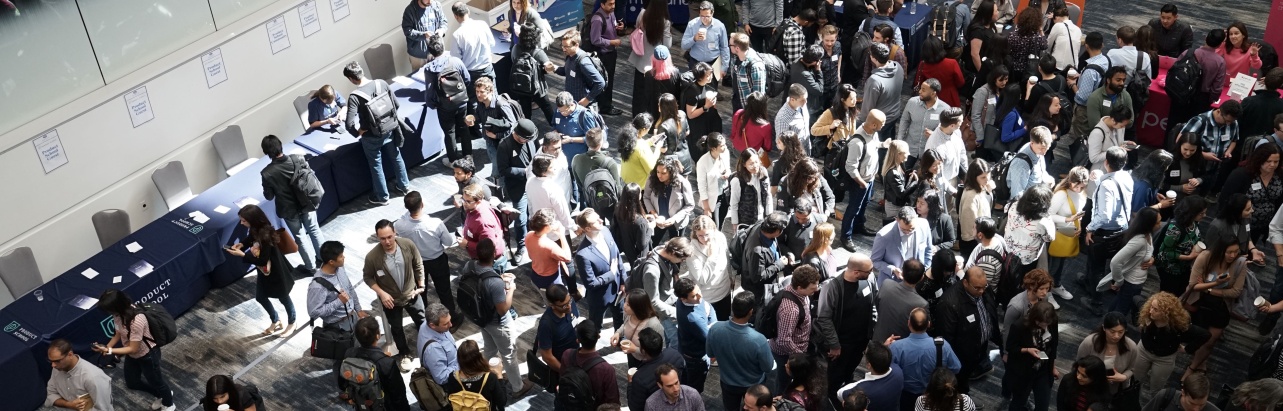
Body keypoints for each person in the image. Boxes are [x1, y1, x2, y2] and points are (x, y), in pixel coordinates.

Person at [467, 238, 534, 396]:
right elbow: (503, 309)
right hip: (499, 323)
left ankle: (491, 377)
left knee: (490, 350)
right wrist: (510, 288)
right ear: (494, 255)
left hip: (480, 318)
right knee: (509, 354)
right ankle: (517, 387)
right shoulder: (494, 283)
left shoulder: (469, 266)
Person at [93, 289, 174, 410]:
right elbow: (117, 334)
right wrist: (107, 347)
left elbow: (133, 348)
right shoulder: (118, 315)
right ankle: (160, 395)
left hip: (147, 355)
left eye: (109, 310)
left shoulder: (137, 320)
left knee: (157, 382)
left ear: (117, 307)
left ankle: (169, 403)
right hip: (133, 355)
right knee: (132, 383)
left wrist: (109, 351)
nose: (108, 313)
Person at [343, 61, 410, 204]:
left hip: (370, 136)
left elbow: (349, 124)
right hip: (390, 129)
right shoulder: (381, 83)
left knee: (376, 165)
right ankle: (404, 186)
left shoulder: (354, 97)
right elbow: (396, 105)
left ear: (351, 79)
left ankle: (382, 197)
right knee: (396, 157)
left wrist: (358, 132)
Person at [224, 204, 297, 336]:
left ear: (253, 219)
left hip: (276, 272)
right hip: (264, 271)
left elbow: (263, 260)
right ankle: (276, 320)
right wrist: (242, 244)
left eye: (244, 220)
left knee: (284, 297)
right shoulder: (255, 228)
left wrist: (243, 255)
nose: (241, 223)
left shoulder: (266, 235)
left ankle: (292, 322)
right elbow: (252, 238)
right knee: (260, 297)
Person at [363, 220, 427, 361]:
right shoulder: (372, 257)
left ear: (395, 233)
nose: (387, 241)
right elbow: (367, 277)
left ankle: (429, 345)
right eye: (382, 238)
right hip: (391, 301)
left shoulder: (407, 245)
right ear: (377, 237)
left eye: (390, 237)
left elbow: (418, 263)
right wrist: (382, 293)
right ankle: (404, 353)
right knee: (397, 328)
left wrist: (421, 286)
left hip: (412, 294)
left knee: (422, 321)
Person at [1184, 238, 1247, 379]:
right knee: (1199, 336)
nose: (1232, 255)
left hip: (1221, 307)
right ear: (1220, 250)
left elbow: (1236, 292)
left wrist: (1208, 288)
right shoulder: (1206, 257)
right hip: (1200, 304)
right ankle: (1200, 361)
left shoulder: (1240, 263)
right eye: (1229, 252)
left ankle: (1192, 367)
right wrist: (1216, 283)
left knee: (1210, 341)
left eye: (1236, 252)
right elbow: (1193, 285)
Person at [818, 254, 878, 401]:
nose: (872, 273)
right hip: (841, 344)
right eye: (869, 271)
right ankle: (832, 399)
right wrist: (834, 344)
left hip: (861, 341)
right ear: (856, 272)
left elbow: (874, 303)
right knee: (835, 377)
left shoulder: (869, 279)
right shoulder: (832, 286)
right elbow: (824, 318)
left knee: (850, 370)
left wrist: (871, 331)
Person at [933, 266, 1003, 393]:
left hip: (979, 346)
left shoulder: (983, 289)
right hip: (962, 355)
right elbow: (947, 338)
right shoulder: (949, 304)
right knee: (960, 382)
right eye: (977, 288)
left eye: (984, 286)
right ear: (965, 283)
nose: (982, 291)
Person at [708, 292, 776, 411]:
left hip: (727, 383)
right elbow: (768, 367)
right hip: (753, 386)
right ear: (751, 311)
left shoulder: (715, 329)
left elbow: (710, 354)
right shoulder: (759, 340)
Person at [393, 192, 457, 320]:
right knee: (444, 291)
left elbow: (398, 225)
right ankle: (452, 319)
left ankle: (424, 321)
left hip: (416, 264)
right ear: (422, 204)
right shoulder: (435, 223)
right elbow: (448, 242)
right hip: (437, 261)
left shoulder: (400, 225)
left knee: (421, 294)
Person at [888, 307, 962, 411]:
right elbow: (956, 368)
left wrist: (885, 347)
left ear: (909, 323)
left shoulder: (896, 347)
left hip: (905, 396)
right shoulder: (942, 345)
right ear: (929, 324)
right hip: (933, 397)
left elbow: (886, 372)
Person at [1085, 147, 1133, 305]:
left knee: (1097, 267)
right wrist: (1099, 178)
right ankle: (1087, 281)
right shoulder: (1127, 177)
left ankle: (1096, 302)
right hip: (1122, 230)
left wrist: (1089, 228)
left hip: (1104, 231)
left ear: (1106, 162)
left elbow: (1105, 215)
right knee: (1109, 263)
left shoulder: (1106, 185)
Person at [421, 36, 476, 168]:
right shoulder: (455, 61)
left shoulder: (429, 69)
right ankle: (469, 155)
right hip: (461, 101)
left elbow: (429, 90)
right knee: (464, 128)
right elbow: (467, 78)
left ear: (430, 52)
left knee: (449, 132)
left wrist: (432, 104)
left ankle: (452, 161)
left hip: (444, 106)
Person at [1133, 293, 1202, 395]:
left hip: (1164, 359)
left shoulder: (1179, 326)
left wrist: (1188, 349)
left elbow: (1204, 335)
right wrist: (1138, 322)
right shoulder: (1148, 313)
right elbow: (1135, 297)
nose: (1150, 311)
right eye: (1151, 307)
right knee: (1134, 381)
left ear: (1166, 313)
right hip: (1143, 351)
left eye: (1155, 309)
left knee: (1156, 389)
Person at [339, 316, 412, 411]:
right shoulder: (387, 363)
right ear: (378, 336)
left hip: (361, 403)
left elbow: (342, 383)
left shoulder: (349, 353)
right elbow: (398, 394)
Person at [769, 266, 821, 392]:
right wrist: (801, 355)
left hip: (795, 349)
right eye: (812, 289)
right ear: (799, 287)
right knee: (784, 383)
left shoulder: (796, 292)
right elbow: (784, 340)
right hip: (787, 354)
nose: (816, 290)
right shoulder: (791, 309)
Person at [839, 108, 885, 249]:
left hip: (868, 179)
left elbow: (875, 146)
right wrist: (861, 182)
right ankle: (845, 236)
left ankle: (859, 226)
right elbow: (850, 167)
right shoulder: (857, 143)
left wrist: (883, 145)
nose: (884, 125)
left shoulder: (873, 134)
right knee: (853, 208)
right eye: (882, 123)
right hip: (860, 182)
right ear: (873, 125)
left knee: (863, 206)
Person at [573, 208, 623, 333]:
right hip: (600, 298)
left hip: (618, 290)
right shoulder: (582, 254)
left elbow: (617, 256)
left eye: (599, 217)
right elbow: (591, 283)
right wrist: (611, 274)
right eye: (596, 221)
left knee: (620, 317)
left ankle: (619, 338)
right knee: (595, 326)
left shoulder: (606, 231)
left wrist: (623, 282)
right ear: (588, 229)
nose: (601, 220)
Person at [1006, 301, 1060, 411]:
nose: (1044, 326)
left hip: (1043, 368)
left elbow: (1053, 345)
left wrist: (1052, 367)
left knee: (1043, 405)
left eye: (1047, 323)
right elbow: (1011, 348)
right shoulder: (1019, 326)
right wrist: (1027, 350)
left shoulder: (1052, 322)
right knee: (1018, 402)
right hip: (1024, 370)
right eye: (1041, 323)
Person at [1220, 144, 1282, 239]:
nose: (1272, 165)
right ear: (1259, 159)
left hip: (1259, 227)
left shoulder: (1279, 176)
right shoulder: (1241, 174)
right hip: (1236, 224)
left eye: (1276, 161)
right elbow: (1225, 199)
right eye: (1268, 161)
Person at [1108, 208, 1161, 317]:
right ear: (1149, 224)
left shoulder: (1148, 235)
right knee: (1121, 311)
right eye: (1158, 222)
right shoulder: (1139, 241)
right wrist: (1119, 280)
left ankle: (1108, 322)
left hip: (1136, 281)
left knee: (1119, 303)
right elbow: (1115, 262)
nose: (1160, 225)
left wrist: (1151, 259)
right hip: (1131, 282)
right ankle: (1112, 329)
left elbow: (1145, 253)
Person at [1182, 100, 1243, 193]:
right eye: (1226, 121)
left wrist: (1228, 151)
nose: (1228, 124)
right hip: (1193, 168)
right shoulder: (1200, 121)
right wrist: (1203, 155)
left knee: (1202, 195)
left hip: (1213, 170)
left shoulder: (1233, 123)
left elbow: (1234, 140)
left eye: (1231, 122)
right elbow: (1180, 142)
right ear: (1218, 111)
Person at [496, 120, 538, 252]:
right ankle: (521, 245)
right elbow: (503, 170)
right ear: (516, 133)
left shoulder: (530, 140)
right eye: (523, 138)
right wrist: (524, 172)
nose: (525, 141)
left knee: (535, 213)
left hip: (533, 184)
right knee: (520, 219)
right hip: (518, 188)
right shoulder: (504, 145)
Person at [308, 241, 367, 334]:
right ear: (331, 262)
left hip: (353, 317)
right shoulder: (317, 286)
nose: (344, 257)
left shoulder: (340, 268)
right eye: (341, 256)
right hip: (337, 327)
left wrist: (358, 309)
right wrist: (338, 302)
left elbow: (350, 288)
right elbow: (314, 312)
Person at [1172, 30, 1229, 127]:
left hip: (1180, 95)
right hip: (1201, 101)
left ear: (1205, 37)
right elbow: (1217, 88)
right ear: (1220, 44)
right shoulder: (1220, 62)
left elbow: (1174, 70)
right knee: (1194, 130)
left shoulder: (1188, 52)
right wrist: (1209, 101)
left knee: (1174, 125)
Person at [1075, 312, 1139, 397]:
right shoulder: (1089, 343)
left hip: (1114, 391)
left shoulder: (1131, 347)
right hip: (1088, 389)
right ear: (1104, 328)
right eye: (1112, 332)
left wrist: (1124, 377)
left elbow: (1132, 368)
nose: (1116, 336)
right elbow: (1079, 363)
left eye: (1121, 332)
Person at [563, 320, 621, 408]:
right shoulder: (606, 370)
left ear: (578, 340)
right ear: (598, 336)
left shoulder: (567, 355)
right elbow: (613, 402)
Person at [628, 0, 673, 112]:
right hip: (655, 64)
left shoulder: (643, 14)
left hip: (640, 59)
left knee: (638, 91)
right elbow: (667, 45)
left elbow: (637, 27)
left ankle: (637, 115)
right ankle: (650, 116)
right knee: (653, 92)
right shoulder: (665, 22)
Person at [683, 215, 732, 319]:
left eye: (707, 234)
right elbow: (702, 279)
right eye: (700, 235)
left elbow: (727, 259)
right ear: (695, 233)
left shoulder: (720, 237)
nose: (704, 239)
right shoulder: (692, 250)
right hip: (708, 298)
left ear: (713, 230)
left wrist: (730, 277)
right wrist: (712, 256)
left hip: (725, 291)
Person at [871, 208, 934, 286]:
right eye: (904, 230)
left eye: (912, 229)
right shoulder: (884, 236)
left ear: (917, 217)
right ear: (897, 220)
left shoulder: (924, 225)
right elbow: (875, 261)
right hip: (891, 283)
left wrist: (923, 271)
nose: (908, 233)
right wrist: (892, 269)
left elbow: (928, 250)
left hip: (916, 283)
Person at [46, 338, 113, 411]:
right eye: (51, 361)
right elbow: (51, 395)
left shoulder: (93, 377)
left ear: (70, 355)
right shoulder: (57, 368)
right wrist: (68, 405)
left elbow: (103, 409)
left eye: (57, 361)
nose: (53, 365)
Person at [628, 327, 687, 411]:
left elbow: (635, 407)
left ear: (643, 351)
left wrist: (630, 382)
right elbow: (686, 381)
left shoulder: (639, 378)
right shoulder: (675, 354)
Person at [674, 277, 716, 391]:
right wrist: (712, 322)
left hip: (686, 351)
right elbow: (710, 336)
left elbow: (709, 307)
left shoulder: (681, 302)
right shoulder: (693, 318)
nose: (699, 297)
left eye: (698, 292)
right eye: (694, 296)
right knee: (695, 388)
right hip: (697, 359)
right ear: (683, 298)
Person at [450, 2, 495, 108]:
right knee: (492, 97)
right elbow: (492, 43)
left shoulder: (457, 35)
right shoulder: (482, 24)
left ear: (456, 16)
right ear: (468, 12)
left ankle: (479, 123)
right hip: (487, 69)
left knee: (475, 102)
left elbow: (456, 60)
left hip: (471, 74)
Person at [510, 21, 557, 124]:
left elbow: (513, 60)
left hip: (521, 86)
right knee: (546, 107)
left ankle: (527, 132)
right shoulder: (538, 53)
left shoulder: (515, 48)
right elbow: (549, 69)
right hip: (537, 87)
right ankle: (556, 128)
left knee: (525, 111)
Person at [442, 340, 508, 411]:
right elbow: (502, 401)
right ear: (478, 357)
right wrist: (499, 375)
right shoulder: (489, 378)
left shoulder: (453, 377)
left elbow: (451, 399)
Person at [837, 342, 903, 411]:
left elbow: (840, 394)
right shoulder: (898, 372)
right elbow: (885, 360)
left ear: (869, 365)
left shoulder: (862, 389)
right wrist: (882, 351)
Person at [644, 157, 696, 243]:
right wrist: (653, 213)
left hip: (676, 223)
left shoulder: (682, 183)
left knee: (675, 248)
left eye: (664, 173)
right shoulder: (652, 179)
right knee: (652, 244)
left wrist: (674, 219)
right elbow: (646, 197)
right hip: (658, 220)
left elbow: (690, 205)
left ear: (671, 172)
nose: (659, 175)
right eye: (658, 172)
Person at [1203, 194, 1267, 264]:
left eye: (1251, 207)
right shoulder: (1217, 226)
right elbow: (1211, 251)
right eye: (1248, 209)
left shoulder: (1245, 218)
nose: (1252, 210)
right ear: (1237, 211)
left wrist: (1253, 250)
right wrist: (1236, 259)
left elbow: (1246, 235)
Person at [898, 79, 951, 162]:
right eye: (920, 88)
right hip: (910, 148)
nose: (919, 92)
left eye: (923, 90)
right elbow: (904, 120)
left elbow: (948, 133)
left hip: (930, 152)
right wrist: (900, 140)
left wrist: (934, 135)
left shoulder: (945, 109)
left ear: (933, 93)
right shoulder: (912, 102)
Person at [571, 129, 621, 216]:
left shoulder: (576, 159)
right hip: (609, 202)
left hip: (590, 201)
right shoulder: (609, 162)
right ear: (601, 143)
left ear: (587, 142)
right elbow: (618, 188)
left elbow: (578, 182)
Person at [924, 108, 969, 202]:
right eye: (960, 122)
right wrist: (953, 192)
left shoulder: (956, 132)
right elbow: (936, 175)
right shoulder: (935, 146)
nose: (965, 123)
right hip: (942, 185)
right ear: (952, 125)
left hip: (954, 178)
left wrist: (965, 175)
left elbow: (962, 154)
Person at [587, 0, 623, 115]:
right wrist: (612, 42)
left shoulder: (611, 13)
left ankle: (605, 104)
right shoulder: (597, 19)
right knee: (604, 81)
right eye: (610, 4)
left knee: (609, 80)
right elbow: (595, 39)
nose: (613, 6)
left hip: (611, 53)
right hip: (603, 55)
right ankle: (604, 107)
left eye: (614, 3)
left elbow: (610, 27)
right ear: (602, 5)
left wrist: (618, 27)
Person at [473, 77, 519, 169]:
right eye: (477, 91)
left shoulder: (501, 105)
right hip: (489, 140)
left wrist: (496, 136)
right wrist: (473, 119)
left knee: (498, 168)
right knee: (497, 166)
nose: (478, 95)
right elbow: (480, 117)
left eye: (482, 92)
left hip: (502, 143)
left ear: (490, 91)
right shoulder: (481, 103)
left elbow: (513, 126)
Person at [554, 32, 607, 109]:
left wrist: (587, 99)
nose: (563, 49)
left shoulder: (583, 62)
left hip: (584, 107)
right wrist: (555, 68)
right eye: (562, 46)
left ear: (576, 45)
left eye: (567, 46)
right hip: (573, 104)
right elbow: (567, 71)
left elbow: (601, 83)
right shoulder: (569, 56)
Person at [524, 207, 574, 289]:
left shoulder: (529, 235)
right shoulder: (549, 245)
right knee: (557, 300)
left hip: (536, 275)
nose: (555, 223)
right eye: (553, 222)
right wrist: (562, 235)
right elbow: (567, 257)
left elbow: (531, 256)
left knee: (546, 298)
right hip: (551, 280)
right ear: (547, 227)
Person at [864, 43, 905, 138]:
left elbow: (868, 108)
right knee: (889, 142)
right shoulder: (898, 66)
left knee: (880, 148)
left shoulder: (874, 80)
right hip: (894, 114)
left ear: (873, 58)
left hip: (880, 121)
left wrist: (864, 123)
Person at [536, 284, 579, 374]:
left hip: (576, 357)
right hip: (562, 365)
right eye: (564, 306)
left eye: (569, 301)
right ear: (552, 305)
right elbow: (547, 356)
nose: (569, 307)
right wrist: (565, 372)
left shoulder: (569, 304)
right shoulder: (546, 324)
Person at [728, 148, 775, 227]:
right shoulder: (737, 181)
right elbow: (734, 204)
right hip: (745, 222)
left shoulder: (763, 172)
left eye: (757, 162)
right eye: (751, 164)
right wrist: (735, 224)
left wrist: (769, 215)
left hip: (761, 218)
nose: (755, 166)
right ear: (744, 164)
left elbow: (768, 195)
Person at [682, 1, 730, 79]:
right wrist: (694, 38)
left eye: (707, 16)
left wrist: (724, 67)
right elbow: (684, 45)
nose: (704, 19)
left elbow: (724, 47)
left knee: (712, 90)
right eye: (702, 16)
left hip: (713, 64)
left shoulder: (720, 26)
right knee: (694, 90)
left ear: (712, 13)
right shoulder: (692, 24)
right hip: (696, 63)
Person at [415, 303, 459, 386]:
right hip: (452, 383)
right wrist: (462, 365)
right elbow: (442, 378)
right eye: (446, 324)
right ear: (432, 325)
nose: (451, 325)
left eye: (450, 320)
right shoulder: (433, 349)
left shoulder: (425, 324)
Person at [916, 38, 965, 108]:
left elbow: (918, 83)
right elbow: (961, 82)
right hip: (950, 98)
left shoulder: (923, 65)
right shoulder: (952, 63)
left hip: (931, 99)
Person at [1086, 104, 1135, 174]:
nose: (1123, 127)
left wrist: (1126, 143)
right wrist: (1117, 150)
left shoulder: (1119, 127)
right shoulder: (1097, 133)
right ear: (1113, 120)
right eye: (1122, 125)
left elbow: (1116, 143)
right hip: (1100, 172)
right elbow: (1094, 158)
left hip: (1115, 170)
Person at [686, 63, 725, 149]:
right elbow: (690, 114)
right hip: (698, 127)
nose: (711, 76)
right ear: (700, 77)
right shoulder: (692, 92)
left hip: (709, 122)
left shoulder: (708, 85)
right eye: (708, 75)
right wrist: (706, 106)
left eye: (711, 73)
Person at [637, 46, 683, 121]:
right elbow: (678, 91)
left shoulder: (649, 74)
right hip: (670, 107)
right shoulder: (676, 73)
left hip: (655, 109)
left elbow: (647, 94)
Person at [695, 133, 732, 223]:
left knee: (721, 221)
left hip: (725, 194)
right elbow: (702, 186)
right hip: (713, 199)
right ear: (713, 148)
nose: (725, 147)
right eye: (722, 145)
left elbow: (728, 168)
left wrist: (727, 173)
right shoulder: (703, 162)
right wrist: (706, 208)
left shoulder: (725, 153)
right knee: (714, 225)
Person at [619, 113, 663, 188]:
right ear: (643, 129)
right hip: (636, 187)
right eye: (649, 129)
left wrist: (650, 141)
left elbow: (635, 148)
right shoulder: (642, 147)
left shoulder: (627, 137)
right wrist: (658, 149)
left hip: (624, 181)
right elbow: (651, 169)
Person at [653, 92, 694, 173]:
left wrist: (655, 138)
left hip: (672, 163)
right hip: (685, 156)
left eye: (659, 104)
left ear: (662, 107)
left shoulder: (663, 126)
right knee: (684, 184)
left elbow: (664, 149)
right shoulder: (682, 114)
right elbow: (687, 132)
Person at [613, 182, 654, 260]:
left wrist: (645, 217)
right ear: (638, 196)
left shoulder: (618, 209)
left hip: (627, 248)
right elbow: (641, 245)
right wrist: (651, 229)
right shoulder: (640, 222)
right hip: (640, 255)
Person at [402, 0, 447, 72]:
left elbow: (443, 21)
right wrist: (423, 35)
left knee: (438, 76)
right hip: (418, 55)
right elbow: (407, 31)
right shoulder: (410, 10)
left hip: (435, 52)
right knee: (419, 79)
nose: (430, 1)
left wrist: (442, 30)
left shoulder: (436, 5)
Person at [1218, 22, 1263, 91]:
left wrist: (1254, 56)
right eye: (1230, 34)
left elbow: (1257, 66)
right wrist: (1220, 41)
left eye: (1236, 33)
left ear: (1243, 35)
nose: (1233, 36)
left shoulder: (1250, 49)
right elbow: (1214, 56)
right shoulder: (1224, 45)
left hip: (1240, 84)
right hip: (1225, 81)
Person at [1003, 269, 1052, 333]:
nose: (1045, 292)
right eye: (1041, 289)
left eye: (1047, 288)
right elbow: (1007, 329)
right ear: (1031, 286)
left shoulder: (1044, 298)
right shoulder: (1016, 306)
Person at [1008, 7, 1048, 81]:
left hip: (1013, 68)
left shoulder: (1012, 35)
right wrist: (1041, 31)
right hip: (1029, 70)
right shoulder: (1036, 38)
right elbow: (1045, 45)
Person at [730, 32, 767, 111]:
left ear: (737, 48)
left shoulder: (756, 66)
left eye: (730, 45)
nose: (729, 47)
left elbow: (759, 94)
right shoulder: (735, 58)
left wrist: (752, 114)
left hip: (750, 110)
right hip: (737, 103)